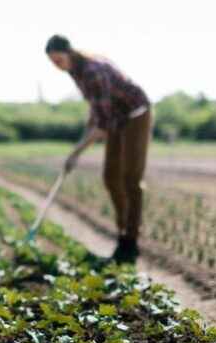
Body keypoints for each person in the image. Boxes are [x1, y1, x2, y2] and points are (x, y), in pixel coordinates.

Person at [45, 34, 152, 265]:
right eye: (53, 63)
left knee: (131, 179)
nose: (57, 66)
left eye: (58, 60)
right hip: (116, 118)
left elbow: (101, 127)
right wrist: (78, 146)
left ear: (69, 52)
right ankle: (122, 230)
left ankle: (130, 243)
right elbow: (96, 113)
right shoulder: (75, 71)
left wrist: (76, 152)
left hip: (135, 114)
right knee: (111, 177)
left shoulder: (93, 70)